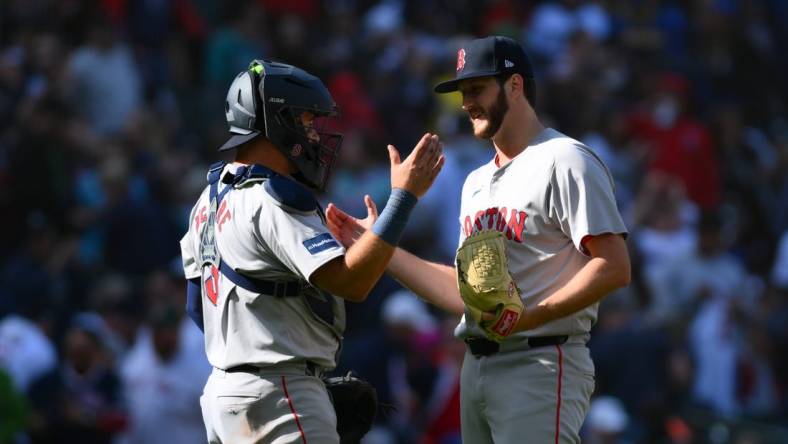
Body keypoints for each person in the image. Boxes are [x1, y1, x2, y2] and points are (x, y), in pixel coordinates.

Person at [326, 36, 631, 443]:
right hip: (476, 367)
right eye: (462, 91)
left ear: (515, 86)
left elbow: (614, 266)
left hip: (539, 361)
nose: (466, 101)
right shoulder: (475, 182)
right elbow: (465, 293)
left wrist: (532, 316)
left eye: (477, 88)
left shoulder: (566, 159)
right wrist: (379, 246)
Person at [179, 59, 443, 444]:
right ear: (275, 120)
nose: (314, 136)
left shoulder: (206, 199)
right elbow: (352, 282)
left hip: (223, 397)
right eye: (304, 121)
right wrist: (403, 199)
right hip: (280, 394)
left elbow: (196, 307)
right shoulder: (271, 197)